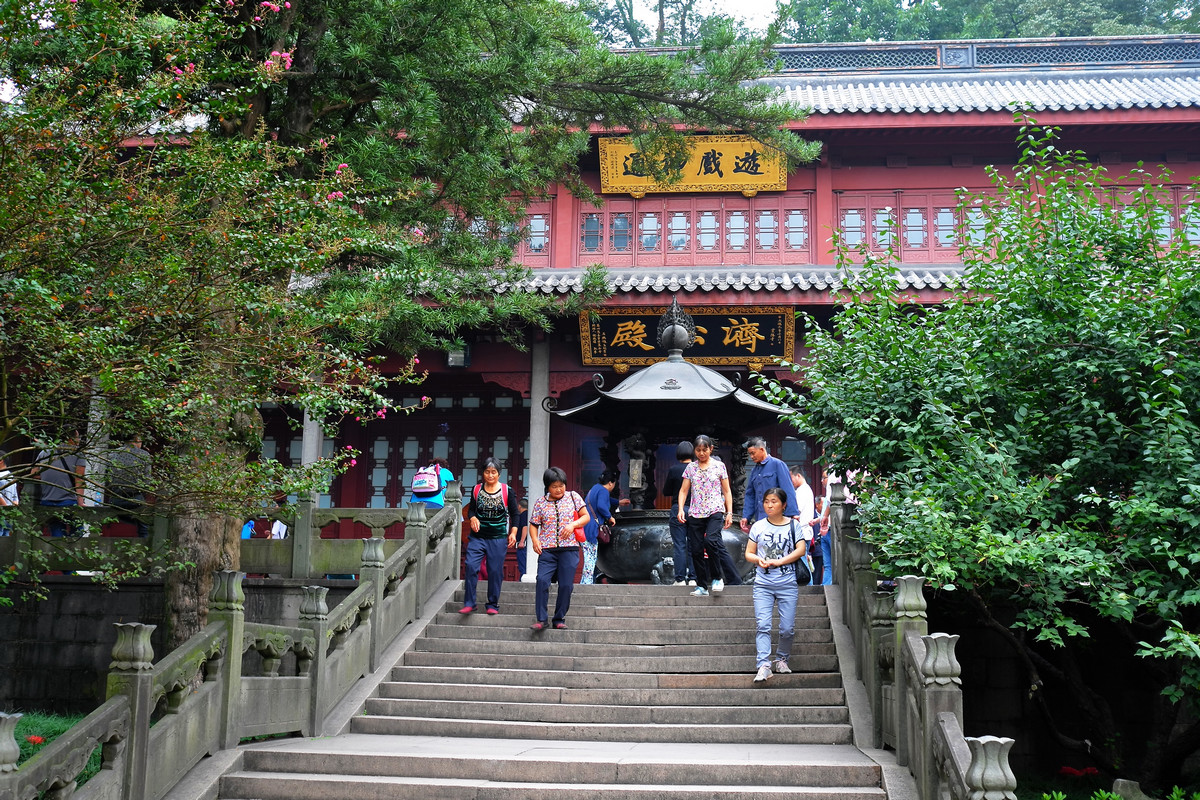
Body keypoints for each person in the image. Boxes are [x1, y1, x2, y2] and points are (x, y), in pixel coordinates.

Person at [745, 487, 807, 683]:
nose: (769, 505)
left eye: (774, 501)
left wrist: (780, 561)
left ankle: (781, 659)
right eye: (766, 501)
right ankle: (763, 665)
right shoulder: (758, 527)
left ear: (784, 504)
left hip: (787, 582)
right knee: (762, 625)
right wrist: (758, 560)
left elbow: (801, 549)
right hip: (763, 583)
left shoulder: (793, 526)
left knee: (787, 628)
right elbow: (749, 552)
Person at [528, 466, 588, 630]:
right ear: (547, 486)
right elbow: (533, 525)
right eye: (554, 486)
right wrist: (535, 540)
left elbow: (586, 517)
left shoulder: (573, 497)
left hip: (569, 549)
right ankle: (541, 619)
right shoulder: (540, 503)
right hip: (547, 550)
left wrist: (572, 525)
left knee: (566, 585)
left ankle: (559, 618)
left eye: (561, 485)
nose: (559, 489)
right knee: (542, 581)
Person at [676, 434, 737, 597]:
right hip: (695, 513)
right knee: (695, 549)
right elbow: (683, 491)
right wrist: (681, 509)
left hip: (715, 511)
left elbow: (727, 491)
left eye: (704, 450)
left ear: (711, 449)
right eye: (698, 450)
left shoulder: (719, 466)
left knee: (711, 541)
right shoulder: (690, 468)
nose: (701, 453)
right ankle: (702, 586)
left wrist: (729, 512)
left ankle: (717, 578)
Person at [462, 457, 519, 614]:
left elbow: (515, 514)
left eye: (494, 472)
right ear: (483, 473)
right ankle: (469, 602)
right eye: (487, 472)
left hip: (498, 537)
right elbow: (471, 509)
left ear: (499, 474)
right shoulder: (476, 489)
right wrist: (472, 518)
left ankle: (492, 604)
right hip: (477, 537)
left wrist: (513, 532)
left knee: (494, 570)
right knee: (471, 566)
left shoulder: (507, 491)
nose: (490, 475)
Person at [31, 432, 86, 538]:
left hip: (47, 500)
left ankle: (60, 553)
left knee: (57, 532)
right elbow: (79, 479)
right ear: (70, 439)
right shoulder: (77, 454)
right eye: (77, 437)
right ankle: (72, 553)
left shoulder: (44, 452)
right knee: (77, 531)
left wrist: (49, 476)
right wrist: (81, 502)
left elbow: (34, 474)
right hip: (68, 500)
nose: (79, 440)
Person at [740, 437, 799, 535]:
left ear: (762, 450)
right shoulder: (754, 471)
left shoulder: (778, 464)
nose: (751, 457)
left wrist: (793, 513)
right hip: (760, 517)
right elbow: (750, 495)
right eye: (750, 454)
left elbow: (788, 490)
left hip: (778, 516)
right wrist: (746, 516)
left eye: (753, 453)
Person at [663, 441, 696, 586]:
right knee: (694, 544)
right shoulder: (697, 468)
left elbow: (666, 491)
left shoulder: (674, 469)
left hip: (679, 508)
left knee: (680, 545)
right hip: (696, 509)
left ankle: (680, 579)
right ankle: (694, 578)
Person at [105, 435, 152, 537]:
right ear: (136, 440)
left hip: (116, 499)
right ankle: (143, 543)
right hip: (136, 499)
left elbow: (108, 479)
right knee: (144, 523)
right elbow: (147, 482)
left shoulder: (113, 454)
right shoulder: (144, 455)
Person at [582, 471, 618, 585]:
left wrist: (619, 502)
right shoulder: (604, 491)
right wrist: (610, 517)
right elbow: (601, 505)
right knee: (590, 559)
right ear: (611, 483)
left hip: (586, 526)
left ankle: (586, 582)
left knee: (589, 556)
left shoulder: (595, 488)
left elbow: (602, 500)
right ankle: (586, 584)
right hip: (592, 529)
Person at [789, 465, 816, 585]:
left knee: (802, 561)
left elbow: (796, 511)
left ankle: (808, 587)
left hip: (802, 532)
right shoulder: (805, 490)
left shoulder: (802, 491)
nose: (791, 482)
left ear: (798, 475)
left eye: (791, 478)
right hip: (805, 532)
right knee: (803, 559)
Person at [0, 449, 18, 536]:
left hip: (2, 511)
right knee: (6, 537)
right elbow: (15, 498)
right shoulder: (11, 476)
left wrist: (5, 508)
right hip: (10, 513)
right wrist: (12, 510)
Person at [514, 499, 529, 580]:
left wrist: (522, 541)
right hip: (524, 544)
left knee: (523, 565)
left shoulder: (524, 515)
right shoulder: (528, 514)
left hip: (523, 545)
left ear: (519, 506)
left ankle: (523, 580)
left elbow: (525, 527)